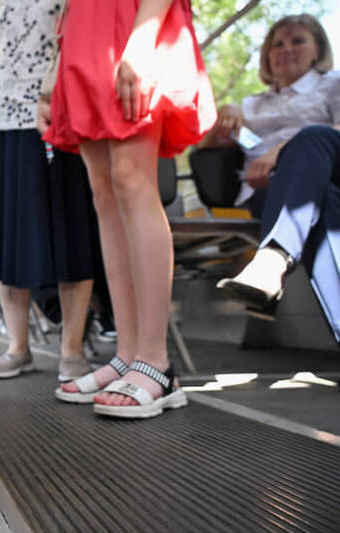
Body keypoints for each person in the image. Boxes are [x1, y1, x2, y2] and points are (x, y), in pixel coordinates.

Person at [44, 0, 216, 417]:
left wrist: (141, 40)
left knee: (132, 179)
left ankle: (156, 361)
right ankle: (128, 354)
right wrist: (54, 71)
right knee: (104, 194)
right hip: (82, 29)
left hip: (130, 17)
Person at [203, 14, 340, 398]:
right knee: (322, 199)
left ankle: (272, 258)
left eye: (297, 40)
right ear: (267, 56)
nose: (286, 50)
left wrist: (285, 148)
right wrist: (224, 117)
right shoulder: (251, 104)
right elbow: (205, 147)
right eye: (277, 44)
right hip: (286, 194)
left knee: (311, 139)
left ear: (317, 50)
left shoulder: (339, 81)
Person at [0, 0, 101, 384]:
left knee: (70, 229)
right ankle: (18, 347)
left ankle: (72, 349)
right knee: (7, 238)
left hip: (57, 111)